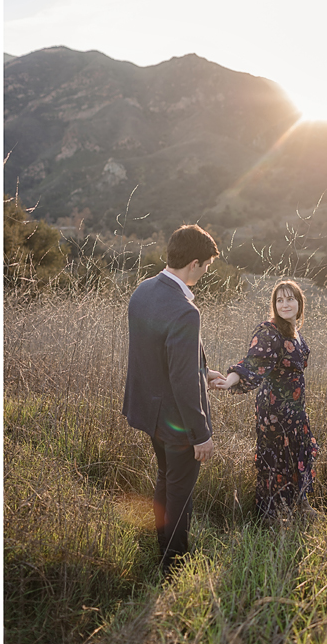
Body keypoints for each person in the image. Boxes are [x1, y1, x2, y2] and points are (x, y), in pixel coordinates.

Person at [122, 224, 224, 576]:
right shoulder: (185, 310)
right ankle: (174, 565)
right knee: (180, 493)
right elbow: (180, 379)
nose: (206, 272)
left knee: (165, 480)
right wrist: (201, 433)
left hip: (149, 411)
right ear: (194, 263)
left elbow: (160, 353)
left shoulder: (144, 290)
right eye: (207, 266)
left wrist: (203, 371)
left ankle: (162, 549)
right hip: (177, 419)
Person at [213, 279, 319, 519]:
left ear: (299, 303)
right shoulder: (269, 331)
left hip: (295, 408)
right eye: (279, 300)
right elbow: (253, 361)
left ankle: (300, 505)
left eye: (290, 298)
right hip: (274, 410)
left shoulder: (296, 333)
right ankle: (274, 513)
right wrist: (230, 379)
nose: (285, 304)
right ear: (274, 305)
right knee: (276, 459)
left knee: (299, 452)